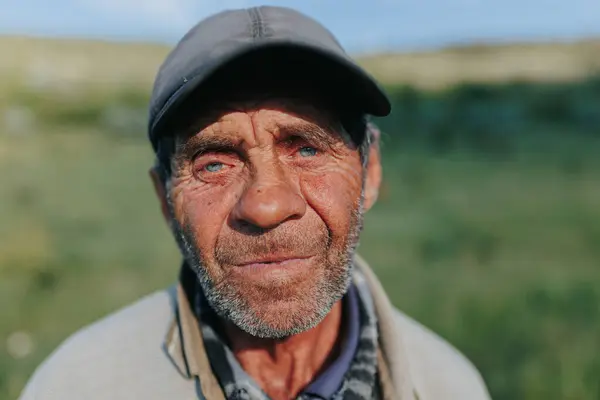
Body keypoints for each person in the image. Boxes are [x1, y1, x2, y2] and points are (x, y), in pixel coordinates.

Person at [19, 6, 490, 400]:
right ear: (166, 200)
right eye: (214, 164)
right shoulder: (76, 385)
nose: (266, 207)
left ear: (370, 175)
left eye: (307, 148)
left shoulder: (450, 386)